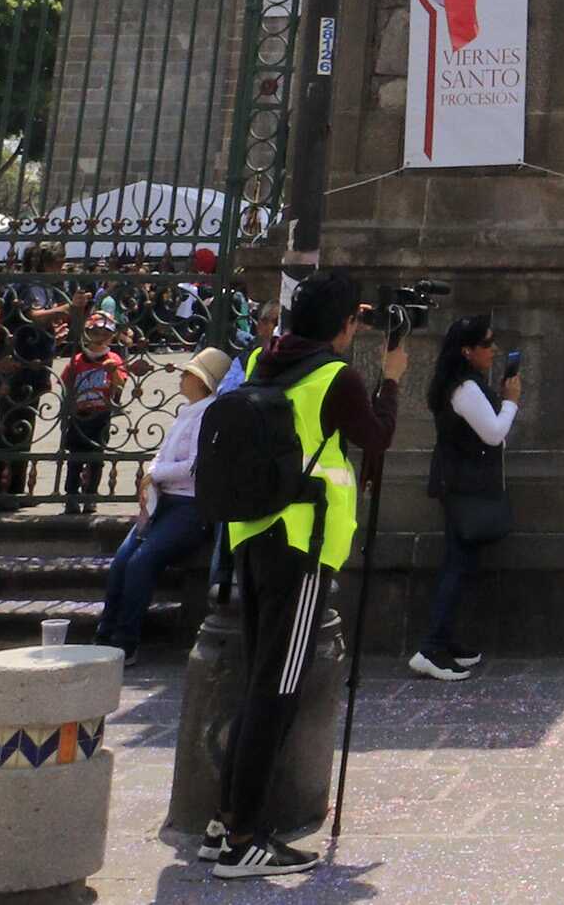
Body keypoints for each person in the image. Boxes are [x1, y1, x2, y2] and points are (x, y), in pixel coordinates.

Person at [206, 272, 405, 884]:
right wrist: (392, 377)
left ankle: (226, 819)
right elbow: (377, 438)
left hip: (253, 535)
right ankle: (244, 839)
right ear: (344, 326)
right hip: (301, 544)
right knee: (277, 686)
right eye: (353, 321)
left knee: (260, 677)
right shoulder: (335, 376)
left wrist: (342, 317)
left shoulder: (269, 359)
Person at [99, 344, 230, 657]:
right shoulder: (186, 412)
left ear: (202, 381)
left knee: (142, 562)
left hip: (188, 506)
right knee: (122, 560)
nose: (182, 377)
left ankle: (125, 641)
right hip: (164, 500)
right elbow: (164, 453)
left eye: (188, 373)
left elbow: (196, 467)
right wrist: (153, 472)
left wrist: (156, 473)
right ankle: (105, 633)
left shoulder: (209, 415)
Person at [412, 317, 518, 682]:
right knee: (457, 566)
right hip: (464, 484)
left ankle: (443, 639)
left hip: (459, 481)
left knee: (460, 563)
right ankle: (431, 647)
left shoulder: (462, 385)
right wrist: (512, 403)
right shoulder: (464, 389)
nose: (494, 350)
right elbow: (493, 434)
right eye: (487, 344)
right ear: (467, 350)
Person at [0, 250, 72, 512]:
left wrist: (53, 337)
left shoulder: (41, 287)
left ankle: (13, 489)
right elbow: (34, 315)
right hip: (17, 368)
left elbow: (33, 325)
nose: (61, 268)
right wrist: (67, 308)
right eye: (57, 263)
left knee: (21, 428)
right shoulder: (31, 286)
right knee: (10, 428)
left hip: (31, 367)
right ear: (42, 262)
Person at [59, 315, 131, 516]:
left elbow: (120, 385)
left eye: (105, 334)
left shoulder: (114, 359)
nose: (100, 338)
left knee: (96, 458)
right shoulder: (78, 360)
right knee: (74, 459)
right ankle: (71, 497)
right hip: (79, 415)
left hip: (100, 415)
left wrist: (113, 371)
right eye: (95, 333)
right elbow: (67, 385)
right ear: (87, 334)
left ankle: (91, 496)